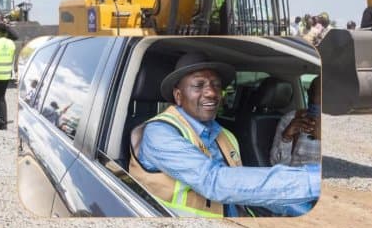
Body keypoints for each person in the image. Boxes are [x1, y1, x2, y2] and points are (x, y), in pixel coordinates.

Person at [131, 53, 320, 217]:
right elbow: (213, 182)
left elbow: (240, 186)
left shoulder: (226, 136)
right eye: (199, 85)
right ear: (178, 96)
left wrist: (303, 208)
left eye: (216, 85)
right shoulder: (159, 133)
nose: (212, 93)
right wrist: (313, 179)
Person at [270, 77, 321, 167]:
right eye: (319, 95)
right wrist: (286, 137)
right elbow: (276, 165)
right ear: (309, 94)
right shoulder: (291, 119)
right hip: (297, 178)